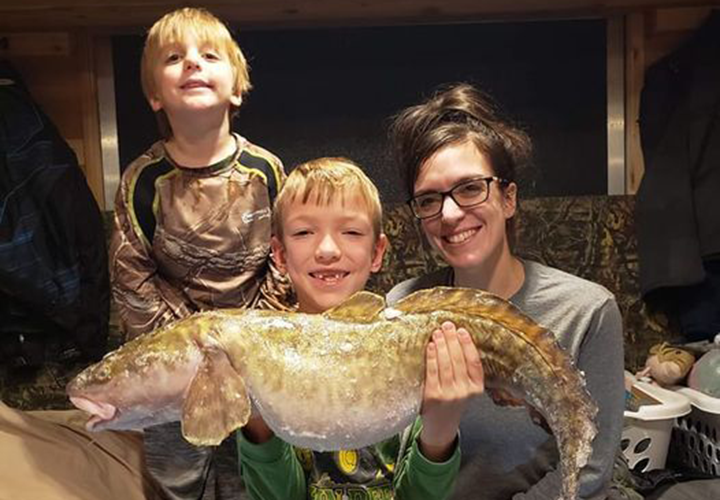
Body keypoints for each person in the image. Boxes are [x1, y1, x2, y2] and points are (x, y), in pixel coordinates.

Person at [387, 83, 625, 500]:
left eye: (470, 188)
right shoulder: (402, 307)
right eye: (428, 199)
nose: (449, 213)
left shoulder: (587, 311)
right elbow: (396, 462)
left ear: (508, 197)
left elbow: (587, 471)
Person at [110, 7, 286, 499]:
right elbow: (132, 279)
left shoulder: (265, 172)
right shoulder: (142, 181)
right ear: (154, 94)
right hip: (176, 362)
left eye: (209, 55)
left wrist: (244, 345)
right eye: (174, 58)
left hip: (253, 354)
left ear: (236, 87)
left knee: (250, 470)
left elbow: (285, 259)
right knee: (176, 474)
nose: (192, 64)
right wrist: (187, 354)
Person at [237, 157, 485, 499]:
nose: (327, 250)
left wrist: (441, 430)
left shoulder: (412, 345)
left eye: (351, 232)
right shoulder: (262, 352)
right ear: (279, 254)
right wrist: (256, 422)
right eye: (304, 232)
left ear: (377, 251)